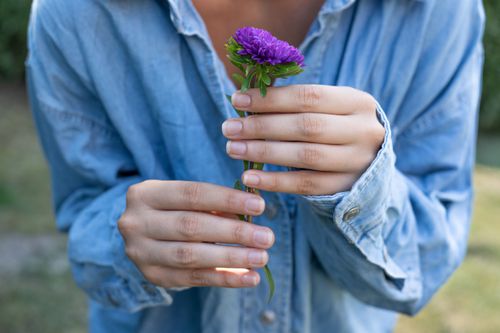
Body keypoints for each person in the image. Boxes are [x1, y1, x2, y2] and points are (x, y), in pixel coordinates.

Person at [26, 0, 484, 332]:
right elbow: (82, 213)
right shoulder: (74, 15)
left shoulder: (437, 13)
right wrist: (122, 236)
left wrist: (364, 194)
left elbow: (427, 262)